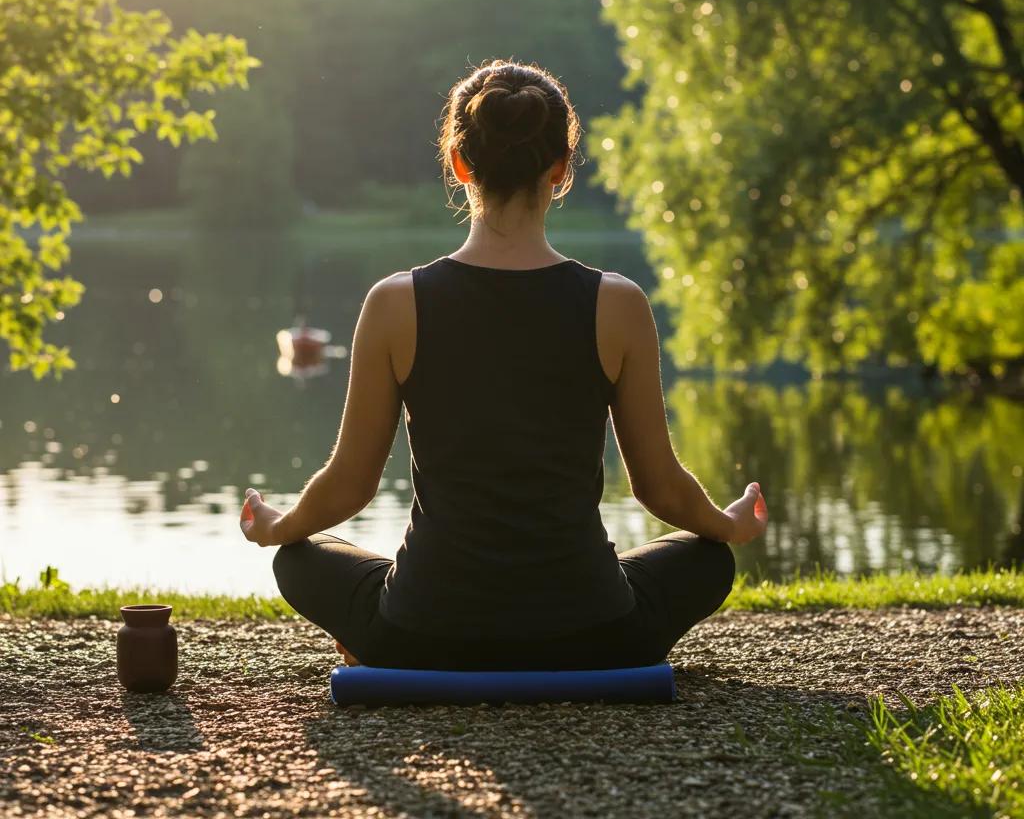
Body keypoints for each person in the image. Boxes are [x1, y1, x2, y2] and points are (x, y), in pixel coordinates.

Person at [240, 58, 768, 670]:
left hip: (420, 634)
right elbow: (660, 487)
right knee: (706, 560)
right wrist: (726, 527)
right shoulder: (617, 304)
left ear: (461, 164)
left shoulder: (394, 303)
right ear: (561, 172)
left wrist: (281, 528)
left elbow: (350, 485)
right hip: (596, 634)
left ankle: (377, 630)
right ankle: (583, 593)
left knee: (300, 559)